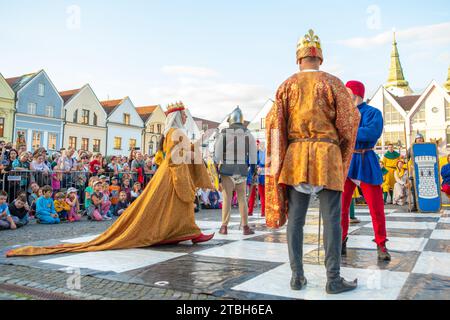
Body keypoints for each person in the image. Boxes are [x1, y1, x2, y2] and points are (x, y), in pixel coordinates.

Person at [6, 103, 215, 257]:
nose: (187, 118)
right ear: (178, 117)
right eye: (184, 115)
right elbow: (179, 157)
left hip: (168, 176)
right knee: (178, 204)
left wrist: (198, 144)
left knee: (167, 207)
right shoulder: (176, 132)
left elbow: (183, 153)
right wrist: (187, 171)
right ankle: (188, 231)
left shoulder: (171, 132)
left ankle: (178, 232)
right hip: (173, 177)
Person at [265, 30, 360, 294]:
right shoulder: (333, 82)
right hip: (326, 154)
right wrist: (339, 149)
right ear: (320, 57)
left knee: (296, 220)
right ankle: (333, 279)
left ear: (298, 59)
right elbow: (349, 122)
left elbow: (275, 125)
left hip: (296, 156)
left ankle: (297, 276)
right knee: (332, 218)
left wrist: (281, 156)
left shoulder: (286, 86)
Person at [341, 80, 391, 261]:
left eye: (347, 92)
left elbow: (371, 133)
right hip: (347, 162)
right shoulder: (343, 114)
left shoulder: (373, 112)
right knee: (341, 208)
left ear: (355, 93)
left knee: (376, 208)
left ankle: (381, 243)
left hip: (366, 160)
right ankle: (341, 240)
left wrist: (346, 131)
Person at [214, 107, 257, 236]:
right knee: (242, 198)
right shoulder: (248, 133)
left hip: (227, 169)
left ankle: (224, 227)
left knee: (227, 198)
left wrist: (216, 172)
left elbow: (217, 155)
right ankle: (245, 227)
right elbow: (253, 155)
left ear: (231, 120)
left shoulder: (224, 133)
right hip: (241, 170)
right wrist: (253, 170)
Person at [248, 140, 266, 217]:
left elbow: (264, 163)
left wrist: (260, 166)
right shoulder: (251, 154)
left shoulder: (263, 153)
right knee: (251, 194)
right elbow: (248, 163)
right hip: (252, 174)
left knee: (262, 194)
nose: (256, 146)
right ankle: (250, 211)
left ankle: (263, 211)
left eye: (258, 145)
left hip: (261, 174)